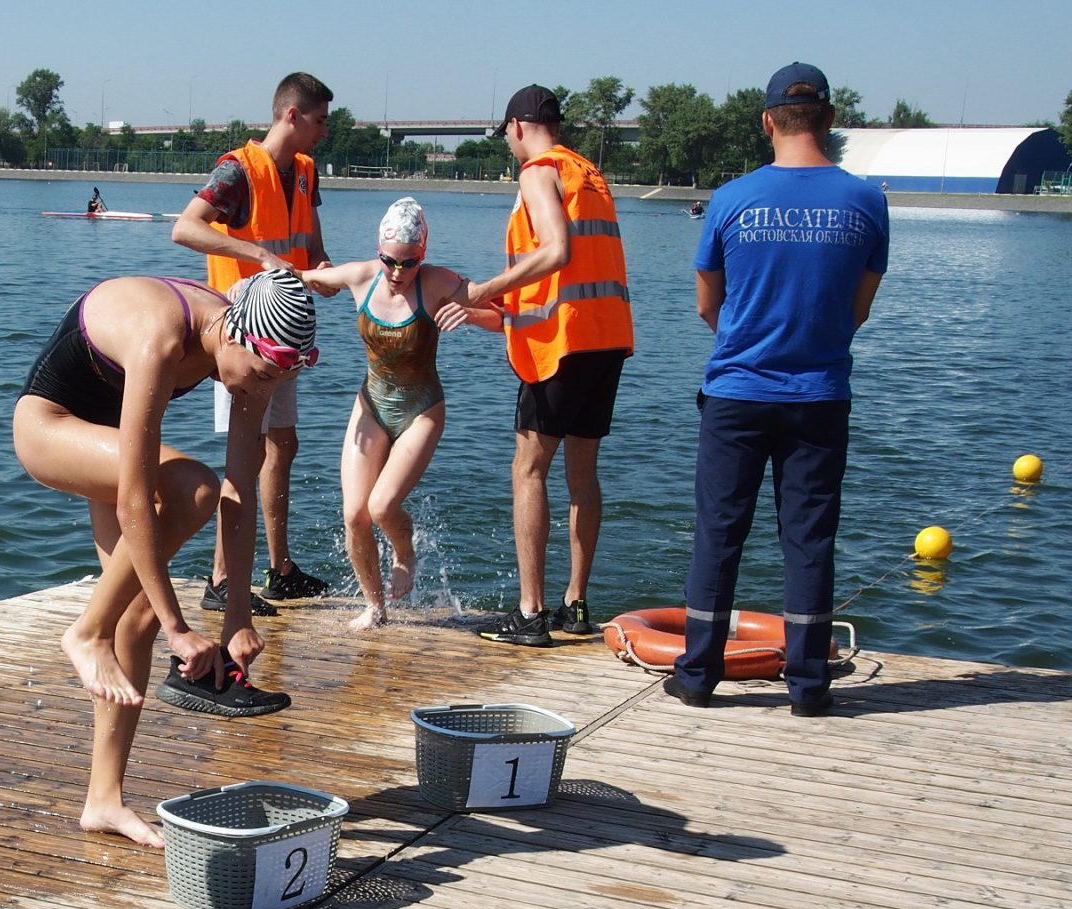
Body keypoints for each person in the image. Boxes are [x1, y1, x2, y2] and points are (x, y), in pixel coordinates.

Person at [12, 269, 319, 847]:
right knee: (189, 488)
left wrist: (236, 619)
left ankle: (103, 799)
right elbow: (136, 496)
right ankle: (85, 633)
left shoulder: (249, 360)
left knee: (138, 618)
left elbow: (240, 492)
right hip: (49, 430)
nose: (258, 392)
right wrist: (182, 629)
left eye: (276, 382)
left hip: (106, 438)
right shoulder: (160, 332)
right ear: (233, 336)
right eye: (258, 376)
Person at [666, 62, 887, 717]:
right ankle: (810, 686)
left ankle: (699, 676)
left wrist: (746, 339)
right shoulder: (867, 200)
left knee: (719, 534)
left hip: (737, 390)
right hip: (819, 392)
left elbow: (709, 304)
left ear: (767, 121)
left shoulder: (732, 199)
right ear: (830, 118)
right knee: (810, 539)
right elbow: (859, 308)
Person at [456, 85, 634, 648]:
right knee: (582, 473)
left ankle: (530, 614)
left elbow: (556, 252)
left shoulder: (538, 172)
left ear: (515, 127)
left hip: (562, 346)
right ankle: (575, 604)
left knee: (528, 469)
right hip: (606, 340)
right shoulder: (590, 174)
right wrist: (500, 316)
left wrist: (485, 289)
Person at [171, 72, 336, 615]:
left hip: (285, 335)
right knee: (244, 453)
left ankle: (279, 569)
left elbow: (310, 245)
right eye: (318, 121)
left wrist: (332, 275)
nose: (323, 132)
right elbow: (185, 228)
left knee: (282, 444)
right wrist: (262, 257)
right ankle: (221, 579)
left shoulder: (307, 173)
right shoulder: (237, 169)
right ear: (291, 115)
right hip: (239, 336)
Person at [301, 197, 497, 629]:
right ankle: (375, 606)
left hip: (421, 409)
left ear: (422, 256)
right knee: (355, 514)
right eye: (389, 261)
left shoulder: (437, 282)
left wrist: (471, 314)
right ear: (379, 252)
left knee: (383, 505)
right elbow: (304, 276)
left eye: (408, 264)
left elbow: (500, 316)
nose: (396, 273)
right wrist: (251, 283)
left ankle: (405, 553)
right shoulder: (362, 277)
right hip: (371, 403)